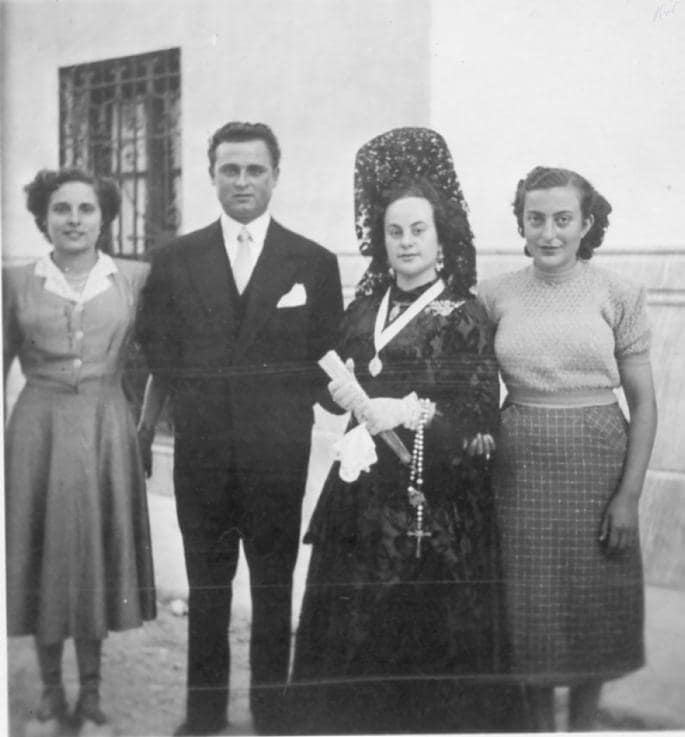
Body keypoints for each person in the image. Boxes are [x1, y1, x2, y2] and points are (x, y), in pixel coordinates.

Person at [289, 128, 521, 734]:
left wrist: (411, 411)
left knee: (421, 651)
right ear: (381, 239)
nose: (407, 242)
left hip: (433, 514)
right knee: (351, 642)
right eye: (395, 231)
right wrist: (337, 392)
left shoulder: (462, 314)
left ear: (442, 237)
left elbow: (480, 422)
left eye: (419, 230)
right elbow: (330, 386)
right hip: (361, 504)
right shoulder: (364, 310)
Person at [136, 121, 343, 736]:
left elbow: (327, 359)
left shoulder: (313, 262)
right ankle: (203, 715)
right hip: (202, 456)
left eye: (255, 169)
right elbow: (157, 349)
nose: (243, 181)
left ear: (275, 176)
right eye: (231, 169)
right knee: (207, 588)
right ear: (212, 176)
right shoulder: (175, 260)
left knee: (274, 588)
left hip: (277, 457)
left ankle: (271, 715)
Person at [478, 166, 658, 731]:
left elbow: (644, 404)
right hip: (519, 470)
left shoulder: (618, 293)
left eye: (562, 219)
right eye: (536, 219)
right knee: (528, 609)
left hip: (598, 465)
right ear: (521, 224)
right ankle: (538, 728)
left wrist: (628, 497)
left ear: (586, 223)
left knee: (591, 605)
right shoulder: (494, 294)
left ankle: (581, 727)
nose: (548, 232)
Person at [3, 168, 156, 737]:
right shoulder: (15, 282)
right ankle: (50, 691)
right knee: (43, 558)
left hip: (104, 428)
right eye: (61, 209)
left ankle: (90, 693)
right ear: (43, 218)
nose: (73, 220)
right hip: (36, 432)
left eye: (86, 209)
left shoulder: (134, 278)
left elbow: (164, 357)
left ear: (104, 217)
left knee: (93, 557)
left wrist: (147, 426)